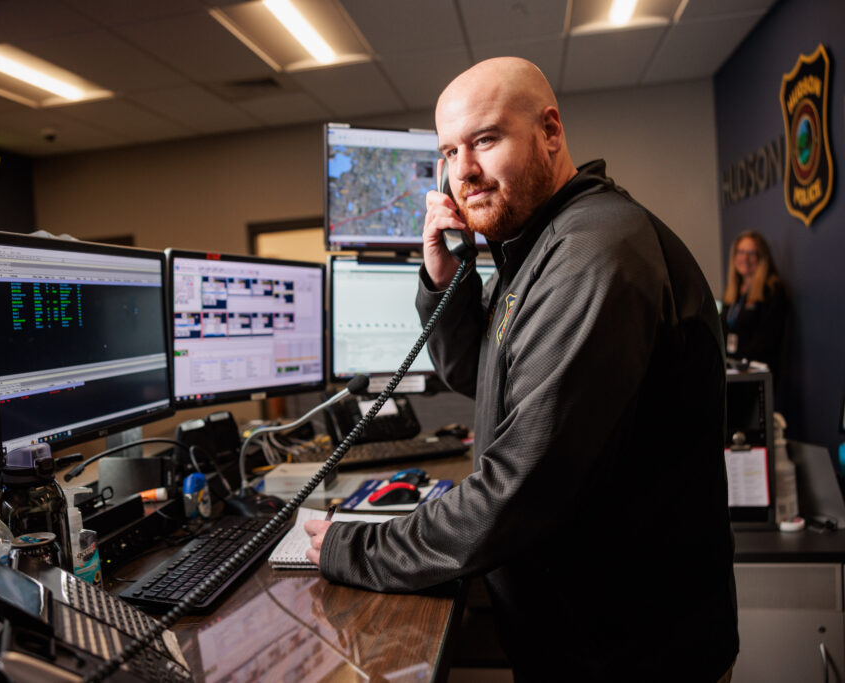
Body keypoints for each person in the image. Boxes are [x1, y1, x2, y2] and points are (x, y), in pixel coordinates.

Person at [304, 57, 738, 682]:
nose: (464, 173)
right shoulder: (542, 244)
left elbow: (516, 491)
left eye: (484, 140)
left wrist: (357, 546)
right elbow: (480, 374)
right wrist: (446, 279)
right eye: (449, 152)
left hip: (634, 657)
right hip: (591, 642)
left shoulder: (594, 255)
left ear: (551, 132)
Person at [721, 230, 788, 375]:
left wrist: (741, 360)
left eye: (751, 253)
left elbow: (768, 338)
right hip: (733, 369)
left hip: (757, 373)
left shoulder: (772, 290)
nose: (745, 258)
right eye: (740, 252)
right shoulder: (733, 291)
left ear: (761, 257)